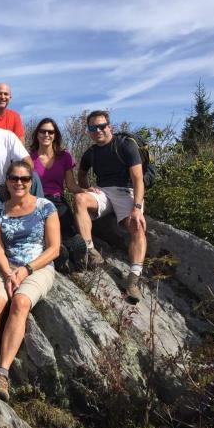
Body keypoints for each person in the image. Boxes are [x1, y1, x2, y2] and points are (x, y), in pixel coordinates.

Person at [0, 161, 60, 402]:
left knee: (19, 302)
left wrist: (26, 270)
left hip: (38, 267)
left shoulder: (45, 207)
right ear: (7, 181)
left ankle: (2, 373)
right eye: (14, 178)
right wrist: (9, 272)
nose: (19, 183)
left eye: (24, 179)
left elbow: (54, 249)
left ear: (31, 182)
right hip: (7, 268)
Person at [74, 110, 147, 302]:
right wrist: (87, 187)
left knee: (137, 227)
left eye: (101, 126)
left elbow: (138, 179)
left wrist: (137, 208)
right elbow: (81, 175)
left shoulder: (125, 145)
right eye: (92, 127)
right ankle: (90, 250)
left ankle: (132, 278)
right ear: (88, 130)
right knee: (80, 199)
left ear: (110, 127)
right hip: (103, 191)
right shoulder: (91, 153)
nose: (98, 130)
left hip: (127, 190)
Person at [29, 118, 87, 267]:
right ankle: (59, 251)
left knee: (67, 225)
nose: (46, 134)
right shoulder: (30, 158)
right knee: (47, 226)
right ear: (37, 134)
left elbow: (71, 185)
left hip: (58, 200)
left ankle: (71, 250)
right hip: (38, 200)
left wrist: (85, 190)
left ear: (55, 135)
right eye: (43, 131)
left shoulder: (64, 156)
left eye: (50, 132)